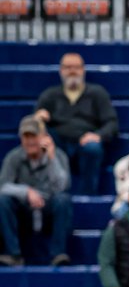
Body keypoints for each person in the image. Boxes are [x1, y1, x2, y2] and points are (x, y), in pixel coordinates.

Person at [33, 52, 118, 195]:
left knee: (93, 149)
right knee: (43, 143)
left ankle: (87, 196)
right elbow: (33, 125)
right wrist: (38, 118)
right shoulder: (50, 95)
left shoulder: (97, 93)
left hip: (84, 143)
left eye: (76, 67)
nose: (72, 71)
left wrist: (97, 136)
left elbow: (112, 123)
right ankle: (52, 194)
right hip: (58, 143)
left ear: (83, 70)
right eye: (67, 67)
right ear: (61, 70)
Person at [0, 116, 72, 267]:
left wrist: (52, 159)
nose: (30, 141)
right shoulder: (13, 157)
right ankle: (13, 254)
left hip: (48, 212)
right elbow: (3, 186)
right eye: (26, 136)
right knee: (3, 200)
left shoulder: (58, 156)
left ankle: (58, 254)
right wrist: (26, 191)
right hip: (23, 213)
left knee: (63, 200)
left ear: (44, 137)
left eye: (33, 136)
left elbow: (63, 186)